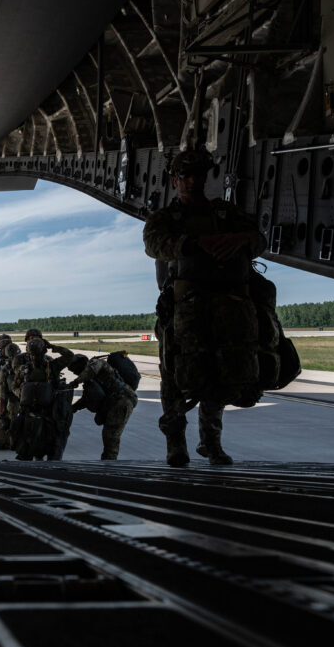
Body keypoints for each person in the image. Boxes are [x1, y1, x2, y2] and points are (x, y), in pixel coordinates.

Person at [144, 149, 267, 467]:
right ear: (175, 180)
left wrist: (240, 239)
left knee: (223, 374)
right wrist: (193, 244)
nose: (193, 181)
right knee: (175, 374)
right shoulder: (166, 219)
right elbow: (153, 244)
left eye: (198, 175)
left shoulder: (226, 214)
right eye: (185, 176)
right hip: (184, 308)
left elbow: (259, 239)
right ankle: (176, 445)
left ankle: (211, 443)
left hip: (230, 305)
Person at [68, 354, 137, 460]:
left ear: (81, 363)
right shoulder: (89, 381)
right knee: (108, 434)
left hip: (123, 399)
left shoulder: (96, 363)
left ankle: (109, 462)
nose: (74, 372)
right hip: (116, 401)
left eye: (74, 369)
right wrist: (73, 408)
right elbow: (86, 399)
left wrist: (76, 381)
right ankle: (108, 460)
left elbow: (92, 370)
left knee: (111, 435)